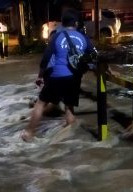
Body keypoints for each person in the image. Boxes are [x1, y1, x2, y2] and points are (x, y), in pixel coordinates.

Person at [21, 9, 96, 142]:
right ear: (76, 23)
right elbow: (94, 56)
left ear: (62, 23)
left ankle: (29, 134)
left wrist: (40, 76)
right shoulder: (83, 37)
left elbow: (46, 59)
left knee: (40, 104)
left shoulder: (57, 36)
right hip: (74, 78)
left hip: (57, 76)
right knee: (69, 108)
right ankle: (70, 141)